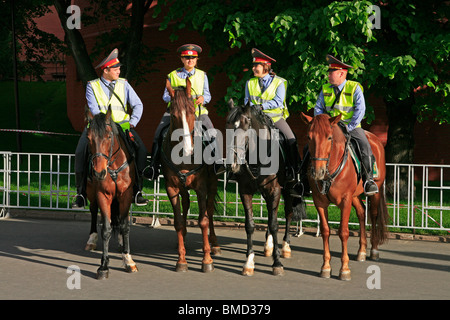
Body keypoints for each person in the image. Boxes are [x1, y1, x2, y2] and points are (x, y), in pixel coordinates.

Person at [72, 48, 149, 208]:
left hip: (122, 127)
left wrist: (133, 121)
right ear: (105, 70)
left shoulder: (124, 84)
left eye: (119, 68)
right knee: (80, 152)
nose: (119, 71)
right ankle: (80, 193)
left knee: (140, 149)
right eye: (115, 69)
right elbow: (94, 109)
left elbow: (138, 104)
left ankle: (137, 190)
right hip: (99, 129)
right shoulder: (92, 86)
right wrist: (105, 125)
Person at [144, 44, 225, 180]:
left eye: (193, 58)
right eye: (187, 58)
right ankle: (153, 166)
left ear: (196, 59)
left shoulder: (202, 75)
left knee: (211, 131)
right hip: (174, 112)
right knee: (159, 133)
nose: (190, 60)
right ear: (181, 59)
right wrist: (174, 96)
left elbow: (208, 95)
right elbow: (164, 96)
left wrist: (203, 98)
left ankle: (217, 163)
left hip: (198, 112)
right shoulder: (172, 75)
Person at [313, 54, 378, 195]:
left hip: (351, 127)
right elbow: (318, 109)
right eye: (329, 72)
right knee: (310, 145)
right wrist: (323, 125)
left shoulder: (354, 87)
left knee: (365, 146)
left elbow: (361, 110)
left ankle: (369, 180)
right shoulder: (325, 89)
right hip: (331, 128)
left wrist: (349, 127)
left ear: (342, 73)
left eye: (331, 72)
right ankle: (303, 181)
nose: (328, 75)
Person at [244, 48, 301, 184]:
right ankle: (236, 169)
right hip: (255, 118)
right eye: (253, 65)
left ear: (265, 67)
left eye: (256, 66)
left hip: (275, 119)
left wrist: (261, 107)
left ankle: (293, 170)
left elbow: (278, 101)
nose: (253, 68)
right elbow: (247, 101)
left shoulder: (280, 82)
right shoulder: (250, 83)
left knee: (290, 138)